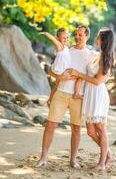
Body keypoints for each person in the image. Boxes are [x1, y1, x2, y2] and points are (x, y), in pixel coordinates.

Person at [36, 25, 96, 168]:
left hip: (79, 97)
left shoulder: (91, 56)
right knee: (50, 125)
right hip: (61, 93)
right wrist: (59, 79)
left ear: (87, 36)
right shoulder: (67, 49)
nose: (77, 37)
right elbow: (51, 71)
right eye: (76, 34)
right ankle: (43, 157)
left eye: (80, 35)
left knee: (76, 128)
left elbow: (93, 79)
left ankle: (73, 159)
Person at [69, 28, 115, 170]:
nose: (96, 39)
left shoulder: (106, 57)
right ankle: (109, 154)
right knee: (90, 131)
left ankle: (101, 163)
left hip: (98, 94)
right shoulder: (98, 54)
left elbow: (97, 81)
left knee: (101, 129)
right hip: (90, 94)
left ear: (104, 40)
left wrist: (79, 74)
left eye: (98, 37)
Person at [40, 28, 83, 108]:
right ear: (58, 38)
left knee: (57, 84)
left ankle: (50, 100)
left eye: (67, 38)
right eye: (63, 38)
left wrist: (74, 46)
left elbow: (69, 47)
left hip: (62, 67)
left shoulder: (66, 47)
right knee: (59, 84)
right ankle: (50, 100)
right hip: (59, 69)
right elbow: (54, 40)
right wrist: (47, 34)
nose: (66, 39)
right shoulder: (60, 46)